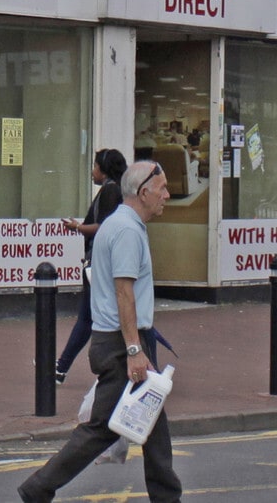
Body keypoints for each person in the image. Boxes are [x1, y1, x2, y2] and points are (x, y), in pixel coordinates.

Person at [18, 160, 182, 503]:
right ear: (143, 191)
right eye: (163, 188)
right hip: (122, 342)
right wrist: (135, 350)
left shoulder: (119, 223)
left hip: (122, 339)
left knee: (153, 424)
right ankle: (38, 488)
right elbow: (124, 292)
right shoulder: (126, 230)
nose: (167, 194)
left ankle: (167, 496)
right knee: (100, 430)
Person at [53, 148, 128, 383]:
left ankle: (61, 367)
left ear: (104, 169)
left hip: (99, 263)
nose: (92, 171)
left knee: (88, 317)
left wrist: (76, 228)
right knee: (94, 315)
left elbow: (102, 226)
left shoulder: (110, 190)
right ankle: (61, 367)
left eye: (95, 166)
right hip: (98, 261)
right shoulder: (112, 190)